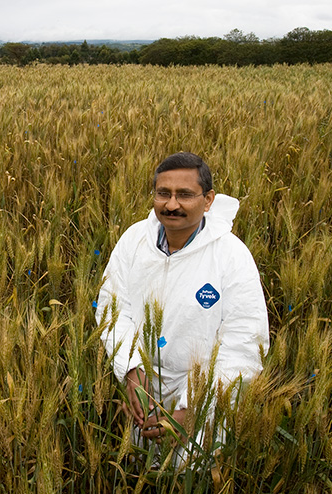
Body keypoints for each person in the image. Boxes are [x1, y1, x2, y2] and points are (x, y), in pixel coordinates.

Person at [95, 151, 269, 462]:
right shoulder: (134, 240)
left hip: (203, 407)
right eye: (164, 193)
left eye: (184, 195)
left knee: (188, 477)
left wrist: (192, 409)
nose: (171, 204)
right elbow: (113, 308)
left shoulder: (232, 257)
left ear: (209, 199)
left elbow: (245, 344)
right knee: (139, 471)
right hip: (138, 398)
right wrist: (131, 370)